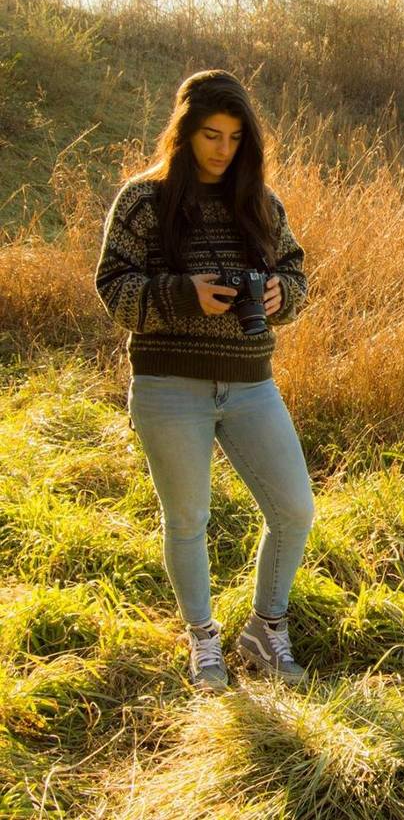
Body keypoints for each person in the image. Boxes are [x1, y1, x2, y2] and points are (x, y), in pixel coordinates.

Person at [95, 69, 315, 691]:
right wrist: (183, 294)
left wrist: (281, 294)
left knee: (295, 509)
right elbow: (112, 290)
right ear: (185, 133)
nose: (223, 150)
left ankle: (265, 629)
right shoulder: (144, 200)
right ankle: (204, 640)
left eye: (236, 137)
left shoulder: (261, 203)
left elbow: (298, 274)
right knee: (189, 518)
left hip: (250, 383)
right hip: (170, 386)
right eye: (211, 135)